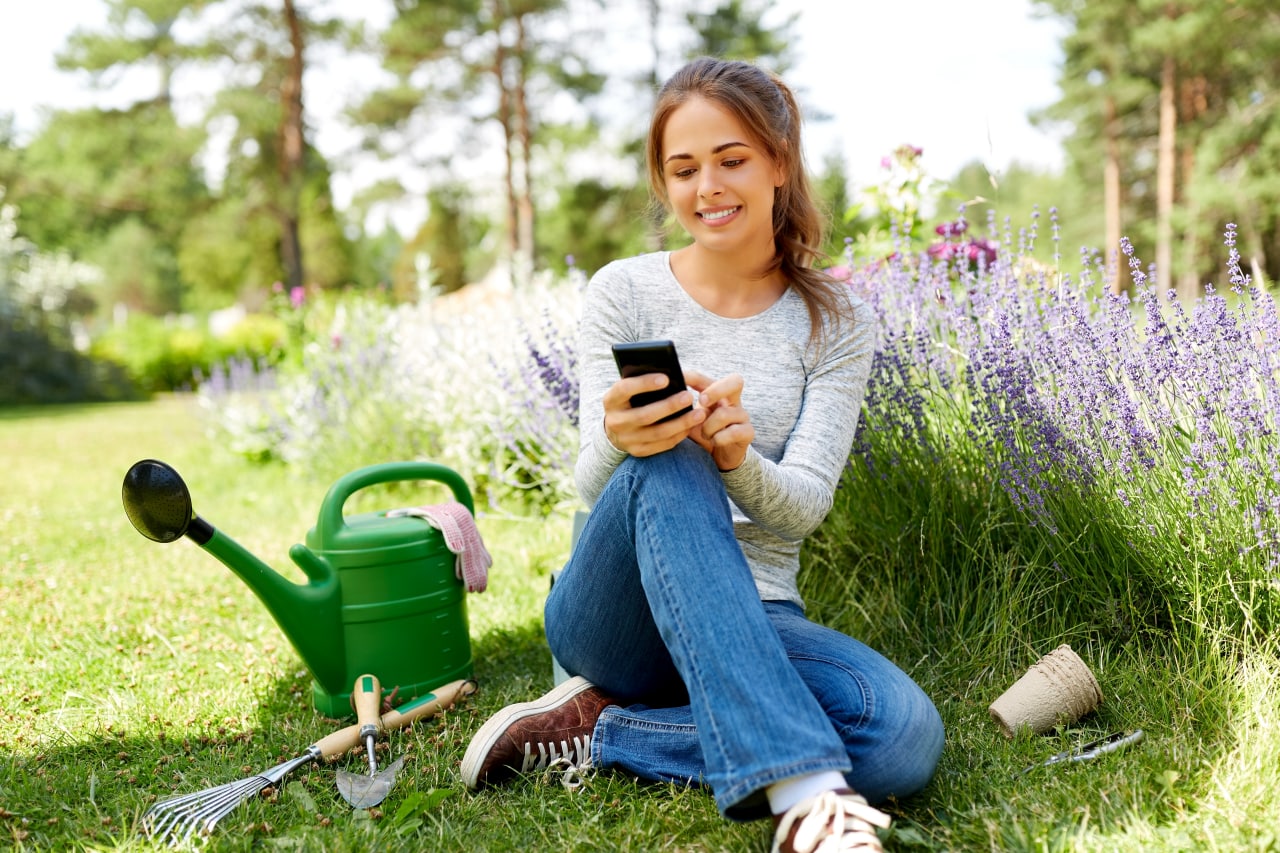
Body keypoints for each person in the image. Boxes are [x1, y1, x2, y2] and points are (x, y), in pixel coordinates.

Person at [460, 56, 944, 853]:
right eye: (684, 169)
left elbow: (806, 505)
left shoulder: (838, 321)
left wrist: (738, 460)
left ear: (778, 163)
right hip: (614, 616)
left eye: (732, 159)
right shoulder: (624, 291)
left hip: (756, 613)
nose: (708, 187)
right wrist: (630, 440)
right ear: (663, 182)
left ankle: (602, 731)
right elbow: (588, 482)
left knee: (899, 736)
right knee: (667, 450)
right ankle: (807, 793)